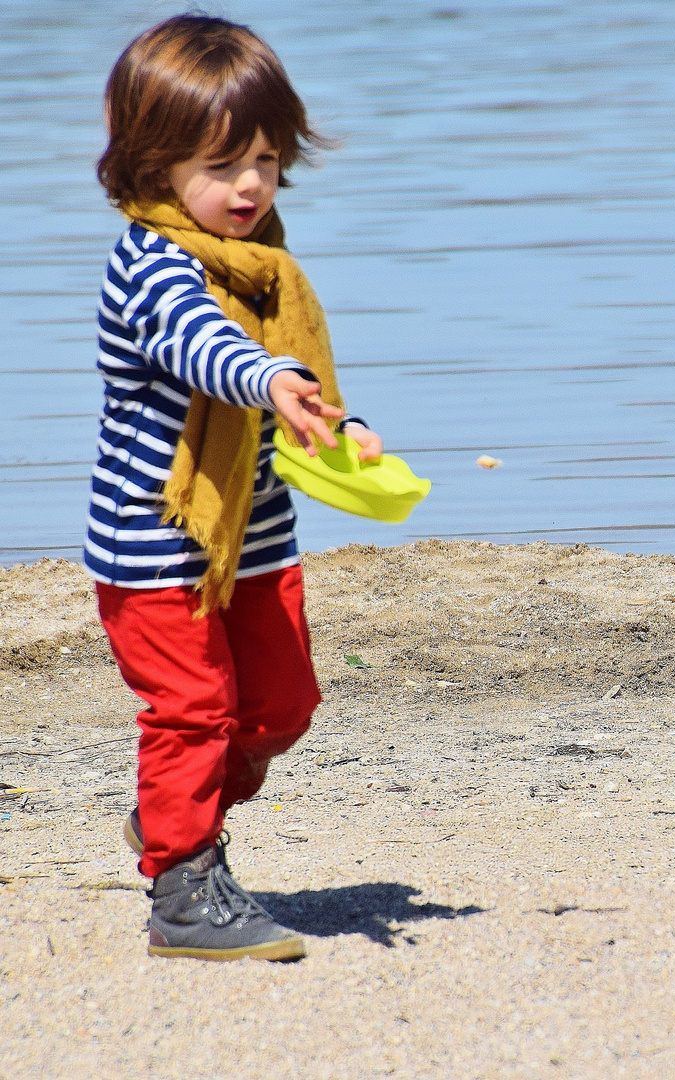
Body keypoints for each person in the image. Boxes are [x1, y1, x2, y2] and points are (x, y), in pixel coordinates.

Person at [89, 14, 382, 961]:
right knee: (192, 712)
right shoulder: (153, 266)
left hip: (255, 533)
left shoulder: (264, 267)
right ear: (152, 167)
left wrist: (341, 424)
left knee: (281, 706)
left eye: (264, 157)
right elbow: (202, 348)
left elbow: (296, 373)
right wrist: (268, 380)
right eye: (221, 166)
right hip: (156, 543)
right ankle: (183, 892)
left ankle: (171, 810)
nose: (250, 184)